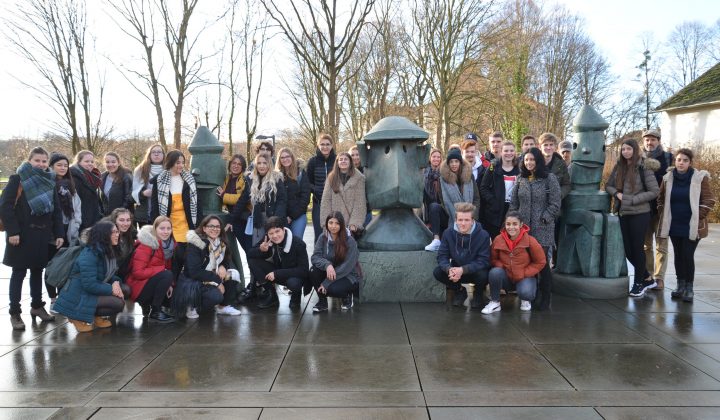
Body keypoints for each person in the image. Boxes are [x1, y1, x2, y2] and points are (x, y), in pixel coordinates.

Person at [2, 147, 64, 330]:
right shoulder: (17, 179)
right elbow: (5, 207)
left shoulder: (50, 179)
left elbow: (56, 210)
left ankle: (37, 306)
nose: (41, 164)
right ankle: (15, 313)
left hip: (42, 235)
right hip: (20, 236)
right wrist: (13, 232)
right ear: (29, 160)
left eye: (44, 161)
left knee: (37, 272)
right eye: (37, 160)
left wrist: (59, 233)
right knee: (19, 273)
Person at [657, 148, 715, 303]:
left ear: (690, 162)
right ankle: (680, 285)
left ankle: (689, 288)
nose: (681, 163)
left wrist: (697, 217)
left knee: (687, 255)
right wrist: (664, 214)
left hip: (692, 225)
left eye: (685, 160)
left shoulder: (700, 178)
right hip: (674, 224)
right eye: (678, 160)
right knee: (678, 255)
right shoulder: (667, 178)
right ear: (675, 161)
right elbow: (660, 199)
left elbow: (709, 200)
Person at [605, 139, 660, 298]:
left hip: (640, 213)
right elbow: (608, 185)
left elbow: (654, 191)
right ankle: (647, 278)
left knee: (637, 249)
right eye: (623, 149)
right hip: (623, 213)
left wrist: (632, 199)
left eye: (629, 149)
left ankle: (638, 283)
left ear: (635, 150)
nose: (626, 152)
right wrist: (617, 194)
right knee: (628, 250)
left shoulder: (644, 167)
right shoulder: (619, 166)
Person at [510, 147, 561, 310]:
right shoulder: (520, 179)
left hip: (543, 228)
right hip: (523, 229)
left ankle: (546, 296)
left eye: (532, 159)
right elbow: (514, 203)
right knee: (527, 261)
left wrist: (545, 217)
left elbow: (555, 203)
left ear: (538, 161)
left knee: (542, 263)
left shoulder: (549, 178)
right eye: (526, 160)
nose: (529, 163)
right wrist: (512, 222)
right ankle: (532, 293)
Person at [53, 221, 127, 333]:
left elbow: (107, 275)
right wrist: (112, 289)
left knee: (125, 289)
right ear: (103, 235)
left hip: (90, 291)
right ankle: (76, 317)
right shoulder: (90, 254)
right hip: (79, 295)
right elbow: (89, 285)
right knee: (118, 303)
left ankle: (95, 316)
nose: (117, 235)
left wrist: (116, 283)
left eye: (117, 232)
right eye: (113, 232)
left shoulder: (106, 250)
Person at [174, 215, 242, 318]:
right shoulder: (196, 244)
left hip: (209, 276)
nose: (215, 229)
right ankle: (192, 304)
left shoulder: (221, 243)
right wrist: (218, 282)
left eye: (217, 226)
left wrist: (223, 266)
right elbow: (194, 271)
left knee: (233, 274)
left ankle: (222, 307)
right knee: (216, 297)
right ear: (204, 228)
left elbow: (226, 259)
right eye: (211, 226)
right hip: (194, 280)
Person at [481, 211, 546, 314]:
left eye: (515, 224)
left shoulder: (530, 241)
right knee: (495, 272)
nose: (511, 227)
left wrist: (524, 273)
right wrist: (502, 266)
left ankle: (525, 300)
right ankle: (495, 302)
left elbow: (540, 262)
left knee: (526, 293)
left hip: (524, 277)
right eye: (508, 224)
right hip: (507, 276)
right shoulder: (498, 239)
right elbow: (493, 259)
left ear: (521, 225)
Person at [151, 150, 201, 277]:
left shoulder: (189, 180)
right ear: (170, 162)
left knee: (188, 258)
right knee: (173, 259)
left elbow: (197, 205)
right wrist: (155, 227)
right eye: (178, 162)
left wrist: (199, 227)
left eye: (183, 162)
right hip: (169, 226)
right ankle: (172, 283)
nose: (181, 165)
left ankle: (185, 284)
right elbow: (155, 207)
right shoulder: (159, 180)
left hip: (187, 225)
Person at [433, 202, 491, 308]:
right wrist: (449, 269)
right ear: (455, 220)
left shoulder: (483, 235)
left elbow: (484, 261)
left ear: (472, 221)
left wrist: (463, 270)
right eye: (460, 220)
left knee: (484, 274)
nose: (463, 223)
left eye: (467, 220)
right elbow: (442, 256)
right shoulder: (448, 233)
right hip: (456, 270)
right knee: (438, 272)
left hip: (475, 271)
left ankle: (478, 293)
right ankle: (459, 290)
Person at [247, 216, 310, 309]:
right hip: (278, 271)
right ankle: (272, 295)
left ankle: (296, 295)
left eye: (277, 231)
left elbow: (304, 270)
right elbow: (250, 254)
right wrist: (261, 250)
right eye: (271, 233)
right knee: (253, 261)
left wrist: (276, 273)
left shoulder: (298, 244)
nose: (275, 236)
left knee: (294, 283)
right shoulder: (268, 239)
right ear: (267, 234)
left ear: (283, 230)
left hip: (293, 275)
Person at [45, 152, 82, 309]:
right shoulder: (48, 184)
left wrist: (76, 225)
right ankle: (53, 299)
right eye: (59, 165)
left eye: (65, 165)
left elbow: (77, 208)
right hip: (52, 232)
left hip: (69, 230)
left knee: (65, 265)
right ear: (51, 166)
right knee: (51, 266)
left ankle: (63, 298)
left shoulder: (70, 185)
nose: (62, 168)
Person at [426, 149, 480, 252]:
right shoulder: (443, 178)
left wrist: (473, 216)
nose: (454, 164)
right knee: (434, 207)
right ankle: (436, 240)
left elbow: (476, 198)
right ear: (448, 163)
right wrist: (456, 216)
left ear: (460, 162)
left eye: (456, 161)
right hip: (450, 214)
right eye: (451, 162)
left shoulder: (469, 176)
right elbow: (443, 201)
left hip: (469, 213)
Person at [125, 216, 176, 322]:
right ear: (155, 229)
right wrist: (162, 271)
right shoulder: (146, 245)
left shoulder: (168, 246)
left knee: (173, 298)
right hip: (137, 287)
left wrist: (169, 284)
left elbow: (166, 267)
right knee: (167, 274)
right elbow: (137, 272)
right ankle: (155, 312)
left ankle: (150, 305)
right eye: (162, 228)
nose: (166, 232)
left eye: (168, 228)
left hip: (149, 282)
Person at [310, 211, 362, 312]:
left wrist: (326, 283)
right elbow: (315, 257)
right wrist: (327, 265)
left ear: (342, 225)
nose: (333, 226)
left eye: (337, 223)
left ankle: (347, 296)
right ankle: (322, 302)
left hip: (348, 275)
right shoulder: (323, 237)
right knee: (313, 271)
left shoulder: (350, 241)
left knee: (332, 290)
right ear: (326, 224)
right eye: (330, 223)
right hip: (330, 272)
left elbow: (346, 267)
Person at [232, 151, 287, 247]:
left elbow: (282, 201)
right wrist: (231, 219)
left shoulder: (276, 178)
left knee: (274, 247)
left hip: (273, 217)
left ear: (269, 164)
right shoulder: (251, 180)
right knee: (258, 247)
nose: (262, 166)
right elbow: (242, 200)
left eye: (265, 163)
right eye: (259, 163)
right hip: (258, 219)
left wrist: (276, 221)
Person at [641, 129, 672, 290]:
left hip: (662, 209)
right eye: (647, 140)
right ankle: (649, 276)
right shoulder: (638, 159)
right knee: (646, 246)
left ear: (658, 141)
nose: (650, 142)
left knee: (661, 245)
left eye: (653, 139)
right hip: (644, 208)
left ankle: (659, 278)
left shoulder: (668, 158)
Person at [319, 152, 367, 238]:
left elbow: (360, 203)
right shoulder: (331, 178)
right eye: (341, 159)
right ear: (337, 162)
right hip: (334, 222)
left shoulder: (359, 178)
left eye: (346, 159)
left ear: (350, 162)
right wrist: (326, 223)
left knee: (349, 245)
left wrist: (354, 223)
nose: (343, 161)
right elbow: (326, 201)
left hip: (350, 223)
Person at [479, 141, 519, 239]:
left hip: (513, 210)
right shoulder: (493, 167)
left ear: (515, 152)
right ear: (501, 152)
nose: (509, 153)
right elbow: (483, 188)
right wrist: (493, 201)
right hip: (495, 213)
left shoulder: (519, 169)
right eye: (506, 151)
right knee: (495, 240)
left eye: (511, 151)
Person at [306, 133, 337, 241]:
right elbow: (308, 182)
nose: (325, 147)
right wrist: (316, 190)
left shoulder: (337, 160)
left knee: (336, 235)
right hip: (318, 203)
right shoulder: (312, 161)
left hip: (335, 203)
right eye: (322, 144)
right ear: (318, 146)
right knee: (320, 235)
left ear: (332, 145)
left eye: (328, 144)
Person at [276, 147, 311, 241]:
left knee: (296, 241)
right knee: (284, 243)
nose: (285, 159)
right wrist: (283, 216)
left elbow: (305, 197)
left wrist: (292, 216)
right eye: (282, 157)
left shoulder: (300, 173)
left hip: (298, 215)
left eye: (287, 156)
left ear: (292, 157)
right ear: (279, 160)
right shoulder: (276, 176)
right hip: (282, 216)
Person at [218, 154, 251, 250]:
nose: (236, 166)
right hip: (234, 219)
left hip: (245, 218)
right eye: (234, 163)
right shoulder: (227, 178)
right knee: (246, 248)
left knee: (249, 247)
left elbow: (242, 199)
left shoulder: (245, 179)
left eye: (239, 164)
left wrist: (224, 196)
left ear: (243, 167)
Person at [132, 144, 165, 228]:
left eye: (159, 152)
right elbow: (133, 192)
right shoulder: (140, 170)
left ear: (163, 154)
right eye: (153, 152)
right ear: (149, 154)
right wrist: (143, 193)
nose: (156, 154)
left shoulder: (169, 170)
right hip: (145, 214)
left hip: (164, 214)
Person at [70, 150, 103, 230]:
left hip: (94, 219)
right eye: (86, 161)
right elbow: (76, 204)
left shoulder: (93, 176)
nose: (90, 164)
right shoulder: (75, 178)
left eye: (92, 161)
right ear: (78, 162)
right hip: (83, 222)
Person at [104, 208, 136, 279]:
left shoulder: (129, 235)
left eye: (128, 220)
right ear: (114, 221)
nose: (126, 224)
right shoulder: (106, 238)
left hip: (119, 276)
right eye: (121, 220)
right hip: (106, 277)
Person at [422, 148, 445, 250]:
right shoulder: (424, 173)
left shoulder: (444, 172)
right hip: (427, 207)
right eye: (434, 156)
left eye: (438, 157)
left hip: (441, 207)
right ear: (430, 158)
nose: (436, 159)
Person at [538, 133, 571, 199]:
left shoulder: (561, 164)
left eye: (551, 145)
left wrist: (558, 194)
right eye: (545, 145)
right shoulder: (534, 162)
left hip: (554, 202)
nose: (548, 148)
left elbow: (567, 185)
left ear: (555, 147)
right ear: (540, 147)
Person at [101, 152, 133, 216]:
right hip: (108, 215)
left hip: (124, 216)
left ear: (118, 163)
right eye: (107, 162)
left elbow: (129, 198)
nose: (110, 164)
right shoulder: (102, 176)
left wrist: (118, 213)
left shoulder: (126, 176)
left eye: (113, 162)